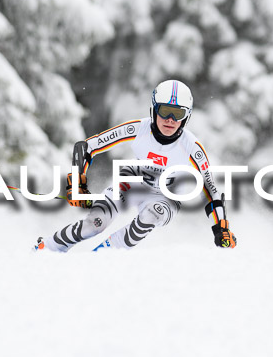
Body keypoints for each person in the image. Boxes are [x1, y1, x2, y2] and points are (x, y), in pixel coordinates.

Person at [35, 79, 237, 251]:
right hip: (131, 184)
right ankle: (47, 248)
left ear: (187, 117)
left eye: (178, 114)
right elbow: (86, 147)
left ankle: (103, 256)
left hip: (166, 196)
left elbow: (211, 190)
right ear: (154, 109)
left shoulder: (192, 147)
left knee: (151, 214)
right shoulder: (138, 129)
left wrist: (222, 228)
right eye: (165, 111)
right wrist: (76, 183)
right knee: (95, 224)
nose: (170, 119)